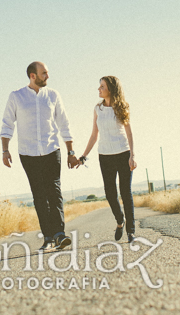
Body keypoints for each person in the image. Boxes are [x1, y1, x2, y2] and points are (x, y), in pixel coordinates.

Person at [1, 61, 80, 250]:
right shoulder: (16, 97)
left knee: (54, 191)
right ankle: (48, 237)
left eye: (47, 73)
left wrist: (70, 152)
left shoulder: (53, 95)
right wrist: (5, 150)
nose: (47, 76)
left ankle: (60, 234)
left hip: (52, 150)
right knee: (39, 196)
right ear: (32, 76)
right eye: (44, 73)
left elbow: (64, 124)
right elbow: (7, 124)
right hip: (28, 153)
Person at [78, 75, 137, 243]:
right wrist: (83, 156)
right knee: (110, 194)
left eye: (102, 86)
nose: (99, 89)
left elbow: (129, 133)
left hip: (123, 153)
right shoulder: (98, 109)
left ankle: (131, 232)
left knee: (126, 193)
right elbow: (94, 135)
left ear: (110, 89)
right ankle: (120, 221)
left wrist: (133, 156)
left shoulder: (122, 107)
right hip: (105, 156)